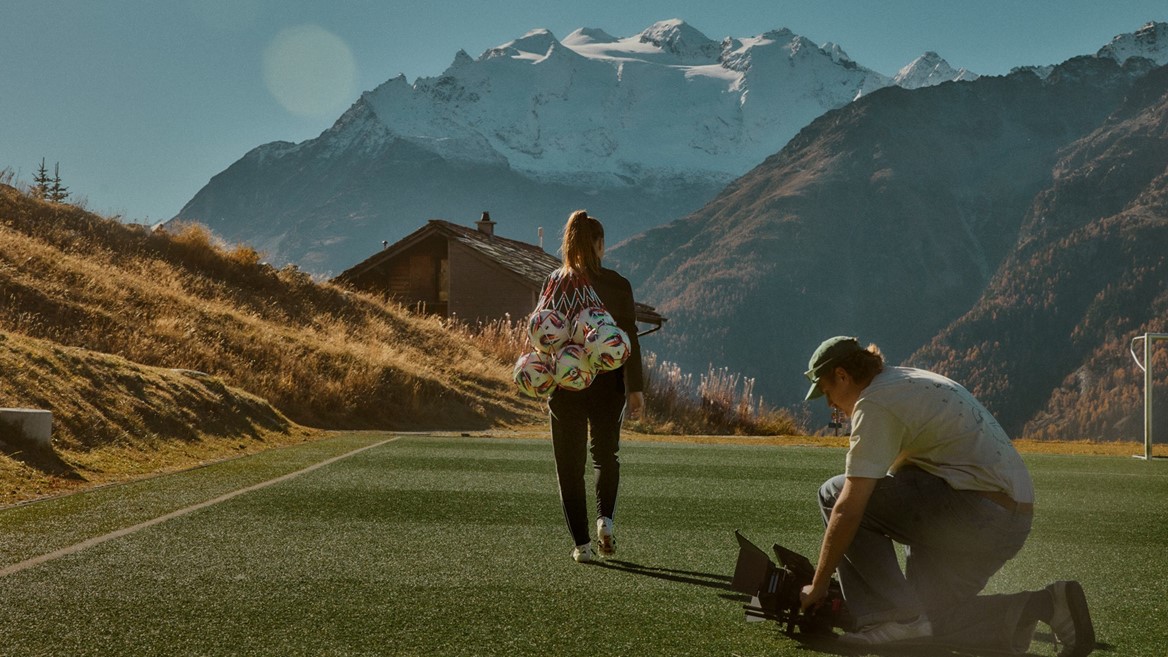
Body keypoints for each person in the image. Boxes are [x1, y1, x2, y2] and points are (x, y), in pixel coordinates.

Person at [797, 336, 1095, 656]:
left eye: (827, 391)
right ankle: (1045, 605)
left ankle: (891, 618)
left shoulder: (875, 402)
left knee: (835, 492)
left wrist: (819, 583)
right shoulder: (906, 378)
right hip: (1010, 522)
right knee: (930, 621)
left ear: (842, 375)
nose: (829, 403)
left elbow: (849, 507)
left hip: (977, 512)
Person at [544, 210, 644, 564]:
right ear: (599, 244)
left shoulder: (555, 282)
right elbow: (629, 337)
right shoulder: (618, 284)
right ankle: (605, 520)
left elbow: (543, 335)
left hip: (566, 384)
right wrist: (636, 388)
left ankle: (582, 546)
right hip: (608, 382)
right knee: (605, 455)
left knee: (569, 465)